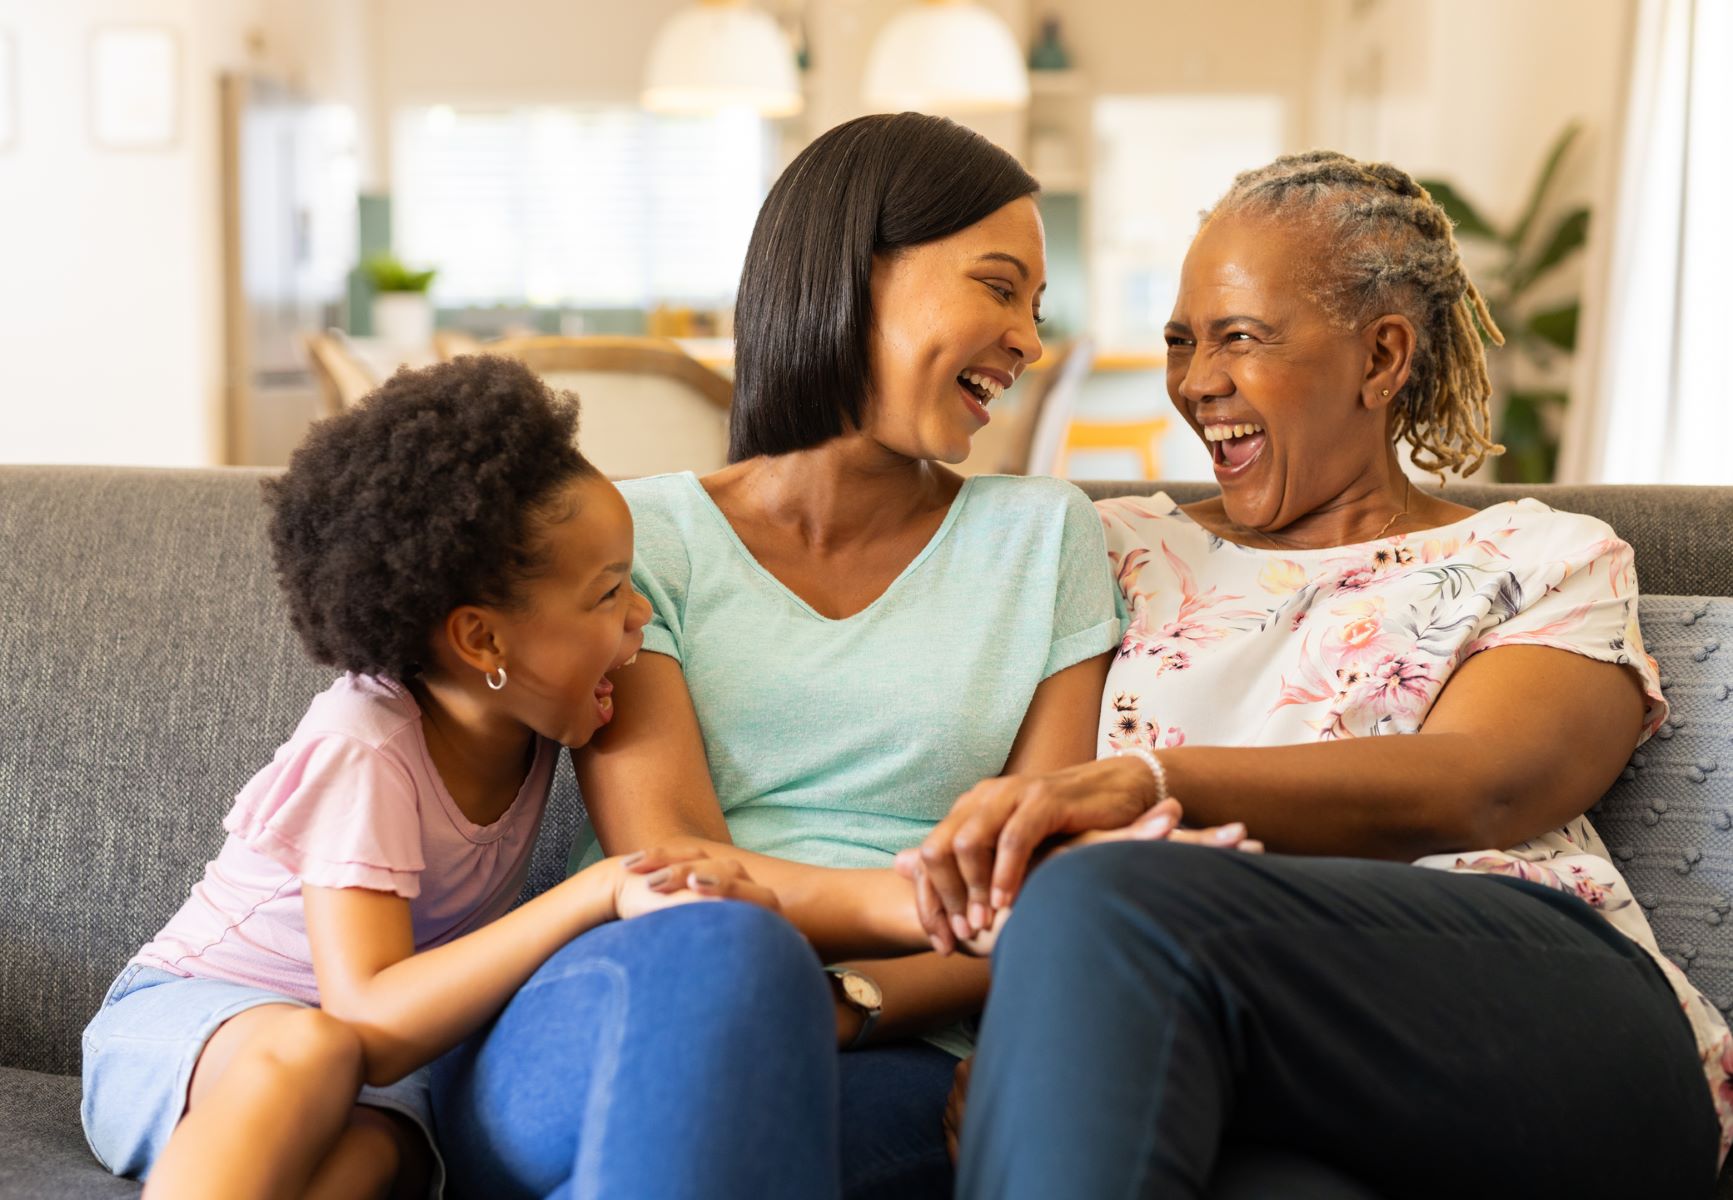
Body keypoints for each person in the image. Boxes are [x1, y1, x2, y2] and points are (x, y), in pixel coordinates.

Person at [434, 112, 1239, 1199]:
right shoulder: (637, 540)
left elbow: (1028, 892)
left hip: (899, 1041)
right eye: (997, 287)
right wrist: (899, 913)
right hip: (633, 991)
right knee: (728, 959)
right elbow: (676, 869)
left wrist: (855, 999)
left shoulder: (1044, 537)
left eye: (1036, 308)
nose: (1028, 340)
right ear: (853, 271)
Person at [908, 151, 1732, 1198]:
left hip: (1545, 1022)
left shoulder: (1541, 554)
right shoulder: (1102, 549)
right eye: (1179, 342)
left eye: (1239, 338)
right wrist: (1052, 1041)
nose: (1196, 381)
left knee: (1108, 892)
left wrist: (1157, 785)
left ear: (1381, 356)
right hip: (1231, 1048)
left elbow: (1485, 783)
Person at [80, 356, 837, 1200]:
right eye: (608, 593)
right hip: (190, 1028)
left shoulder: (548, 716)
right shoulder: (365, 747)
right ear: (483, 643)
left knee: (386, 1159)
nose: (641, 615)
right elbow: (367, 1016)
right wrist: (597, 890)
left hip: (357, 1071)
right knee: (312, 1052)